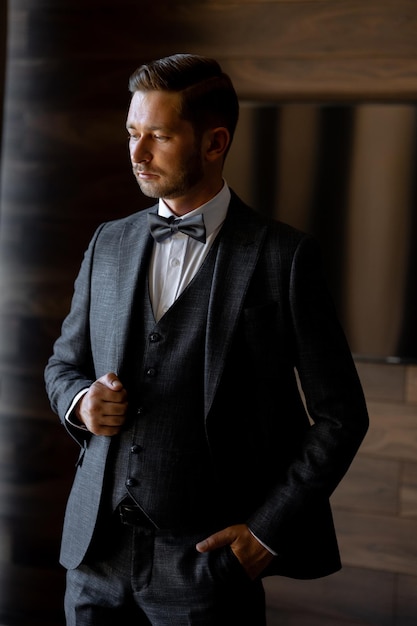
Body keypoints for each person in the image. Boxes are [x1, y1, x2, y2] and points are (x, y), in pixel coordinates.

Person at [45, 53, 369, 626]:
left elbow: (342, 416)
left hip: (206, 568)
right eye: (131, 133)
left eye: (159, 137)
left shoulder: (283, 258)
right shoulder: (108, 243)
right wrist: (80, 401)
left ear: (215, 142)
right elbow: (62, 366)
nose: (137, 154)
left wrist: (265, 536)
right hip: (96, 556)